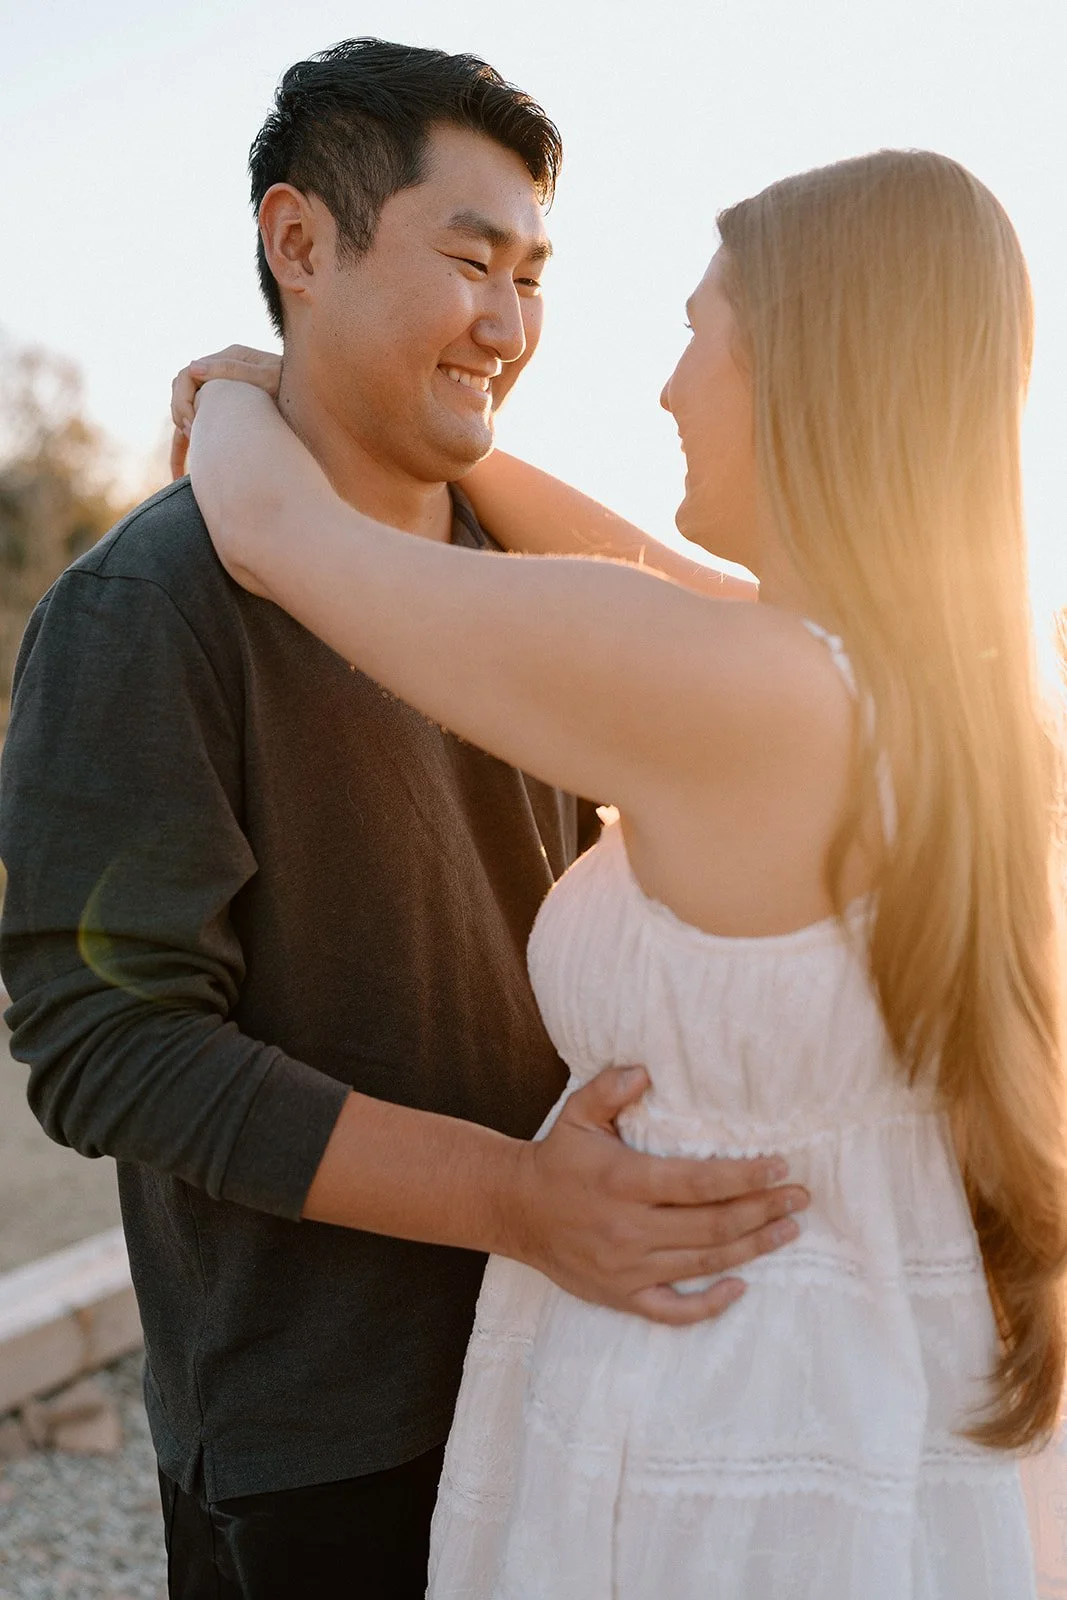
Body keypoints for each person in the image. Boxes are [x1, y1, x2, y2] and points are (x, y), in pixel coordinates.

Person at [177, 147, 1067, 1597]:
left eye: (699, 336)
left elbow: (282, 539)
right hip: (865, 1370)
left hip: (723, 1412)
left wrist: (232, 390)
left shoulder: (738, 691)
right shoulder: (931, 686)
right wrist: (448, 441)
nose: (665, 388)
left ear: (807, 370)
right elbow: (634, 570)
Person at [0, 39, 804, 1600]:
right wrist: (517, 1201)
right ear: (300, 245)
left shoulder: (547, 593)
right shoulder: (143, 612)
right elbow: (109, 1043)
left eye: (535, 275)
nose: (508, 325)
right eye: (470, 262)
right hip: (334, 1439)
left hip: (594, 1370)